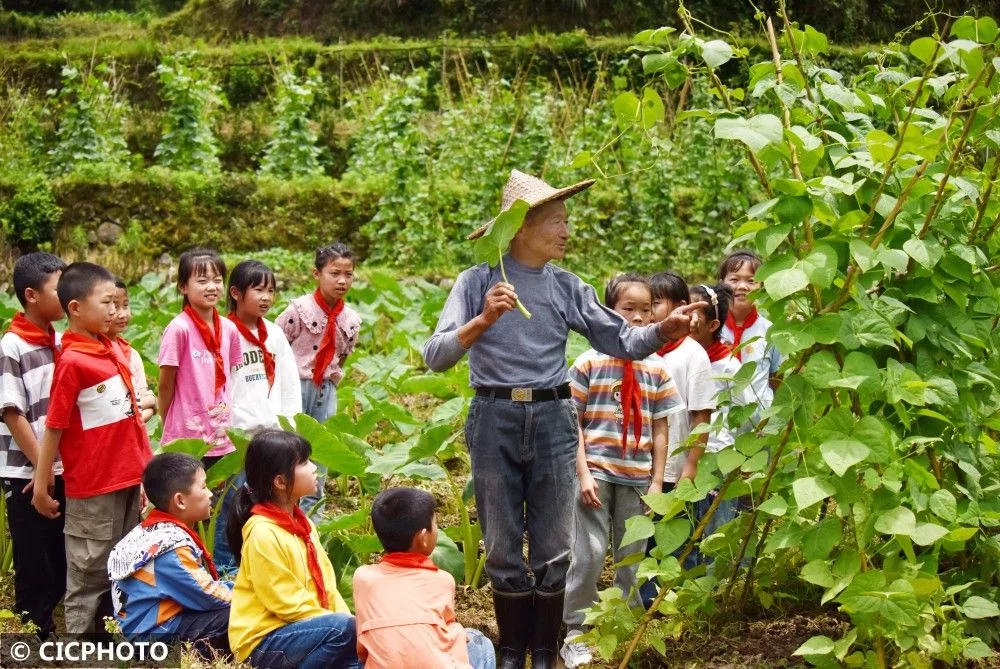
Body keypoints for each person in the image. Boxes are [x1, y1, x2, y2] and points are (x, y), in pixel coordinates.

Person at [422, 169, 704, 669]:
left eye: (566, 220)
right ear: (520, 228)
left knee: (555, 541)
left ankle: (546, 651)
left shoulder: (569, 286)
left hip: (554, 415)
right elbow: (435, 356)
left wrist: (666, 328)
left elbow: (623, 340)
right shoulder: (478, 281)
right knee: (503, 540)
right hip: (493, 414)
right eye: (556, 221)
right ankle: (511, 652)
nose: (567, 231)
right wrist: (483, 319)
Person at [560, 274, 684, 669]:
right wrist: (582, 474)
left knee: (632, 555)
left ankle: (624, 627)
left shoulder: (658, 368)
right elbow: (573, 423)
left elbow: (661, 429)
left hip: (638, 476)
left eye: (646, 309)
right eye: (627, 309)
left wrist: (657, 482)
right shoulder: (589, 361)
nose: (638, 316)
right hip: (596, 472)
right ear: (608, 313)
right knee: (589, 555)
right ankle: (576, 631)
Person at [31, 261, 154, 634]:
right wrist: (41, 484)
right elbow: (54, 427)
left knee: (126, 568)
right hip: (93, 488)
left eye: (118, 304)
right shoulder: (72, 361)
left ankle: (115, 642)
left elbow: (132, 423)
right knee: (89, 577)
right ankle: (81, 650)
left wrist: (146, 474)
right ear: (75, 309)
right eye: (107, 303)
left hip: (129, 480)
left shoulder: (114, 351)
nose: (115, 312)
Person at [226, 429, 361, 669]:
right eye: (305, 463)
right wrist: (346, 624)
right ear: (280, 481)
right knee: (348, 631)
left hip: (308, 628)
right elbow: (284, 602)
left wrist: (353, 626)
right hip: (264, 639)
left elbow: (328, 586)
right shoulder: (262, 533)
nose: (313, 469)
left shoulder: (304, 524)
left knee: (361, 658)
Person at [640, 271, 717, 606]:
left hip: (674, 466)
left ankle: (676, 600)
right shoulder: (644, 349)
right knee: (643, 538)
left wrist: (692, 464)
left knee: (674, 535)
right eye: (645, 305)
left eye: (656, 303)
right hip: (641, 463)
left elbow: (701, 414)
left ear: (682, 308)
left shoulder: (692, 354)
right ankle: (644, 598)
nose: (649, 312)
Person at [353, 487, 496, 669]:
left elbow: (363, 652)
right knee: (478, 640)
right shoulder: (442, 580)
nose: (438, 528)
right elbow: (447, 638)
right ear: (422, 538)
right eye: (436, 524)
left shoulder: (363, 577)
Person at [0, 252, 67, 638]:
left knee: (58, 560)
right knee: (32, 561)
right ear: (31, 295)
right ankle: (31, 639)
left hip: (57, 469)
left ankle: (40, 628)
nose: (68, 295)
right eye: (59, 289)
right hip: (24, 470)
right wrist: (44, 468)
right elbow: (13, 413)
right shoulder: (12, 345)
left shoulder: (60, 340)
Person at [108, 453, 232, 657]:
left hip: (139, 632)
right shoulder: (172, 549)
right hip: (153, 641)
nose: (210, 494)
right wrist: (250, 594)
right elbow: (209, 595)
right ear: (180, 501)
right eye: (203, 487)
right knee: (239, 613)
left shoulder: (151, 531)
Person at [276, 243, 361, 519]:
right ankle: (281, 511)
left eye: (348, 274)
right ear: (317, 273)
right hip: (295, 387)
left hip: (326, 389)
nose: (342, 280)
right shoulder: (298, 311)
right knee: (288, 451)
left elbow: (342, 357)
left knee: (319, 456)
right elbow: (275, 345)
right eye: (334, 273)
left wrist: (330, 381)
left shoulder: (351, 320)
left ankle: (313, 520)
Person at [157, 248, 243, 466]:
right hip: (186, 432)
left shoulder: (229, 328)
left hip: (220, 429)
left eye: (217, 280)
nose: (212, 287)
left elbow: (230, 377)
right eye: (202, 281)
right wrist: (168, 423)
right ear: (183, 287)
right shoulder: (179, 329)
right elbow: (165, 385)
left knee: (213, 493)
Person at [687, 283, 755, 537]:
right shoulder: (676, 357)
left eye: (693, 314)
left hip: (717, 454)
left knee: (716, 524)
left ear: (712, 326)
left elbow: (743, 415)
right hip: (685, 451)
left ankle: (714, 573)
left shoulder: (727, 367)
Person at [227, 260, 302, 432]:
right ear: (235, 293)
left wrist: (290, 424)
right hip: (236, 431)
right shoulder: (223, 333)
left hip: (274, 432)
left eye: (270, 291)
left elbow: (290, 384)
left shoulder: (275, 334)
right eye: (259, 290)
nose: (266, 297)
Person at [718, 250, 781, 409]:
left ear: (762, 287)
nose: (742, 286)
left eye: (751, 281)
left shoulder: (771, 332)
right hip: (719, 424)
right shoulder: (711, 328)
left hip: (759, 425)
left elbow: (777, 380)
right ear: (721, 285)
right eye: (734, 279)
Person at [109, 278, 157, 423]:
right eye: (115, 307)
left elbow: (153, 405)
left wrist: (148, 403)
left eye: (125, 305)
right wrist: (147, 402)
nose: (123, 314)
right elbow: (148, 402)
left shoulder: (132, 355)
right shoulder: (92, 356)